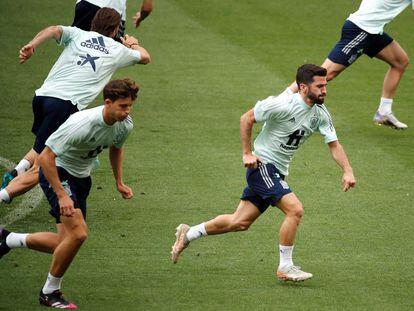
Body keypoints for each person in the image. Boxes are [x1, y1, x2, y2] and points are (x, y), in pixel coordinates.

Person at [171, 64, 356, 282]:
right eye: (319, 86)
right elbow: (246, 118)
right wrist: (247, 153)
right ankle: (285, 267)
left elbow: (334, 144)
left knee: (239, 222)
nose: (324, 90)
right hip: (261, 166)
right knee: (295, 210)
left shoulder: (320, 113)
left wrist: (347, 170)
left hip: (277, 171)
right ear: (303, 87)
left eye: (325, 85)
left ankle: (189, 233)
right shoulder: (282, 104)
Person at [0, 79, 138, 309]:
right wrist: (62, 194)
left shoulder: (125, 124)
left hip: (82, 179)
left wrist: (119, 182)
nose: (127, 111)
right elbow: (45, 157)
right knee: (79, 234)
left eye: (130, 106)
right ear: (107, 102)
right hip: (57, 171)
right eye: (123, 106)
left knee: (65, 243)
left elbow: (116, 147)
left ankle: (8, 239)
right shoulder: (82, 123)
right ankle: (49, 292)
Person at [0, 8, 150, 203]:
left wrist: (32, 45)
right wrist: (134, 44)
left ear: (94, 22)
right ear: (114, 30)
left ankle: (16, 171)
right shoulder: (117, 50)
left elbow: (53, 29)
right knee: (47, 161)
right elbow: (145, 57)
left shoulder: (78, 34)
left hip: (42, 97)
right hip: (65, 104)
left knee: (45, 144)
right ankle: (5, 194)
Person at [288, 0, 412, 130]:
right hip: (361, 30)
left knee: (400, 61)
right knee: (325, 74)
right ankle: (280, 102)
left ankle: (384, 112)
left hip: (373, 31)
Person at [72, 0, 154, 39]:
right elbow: (147, 8)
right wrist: (141, 17)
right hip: (113, 12)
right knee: (105, 55)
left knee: (75, 46)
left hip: (86, 4)